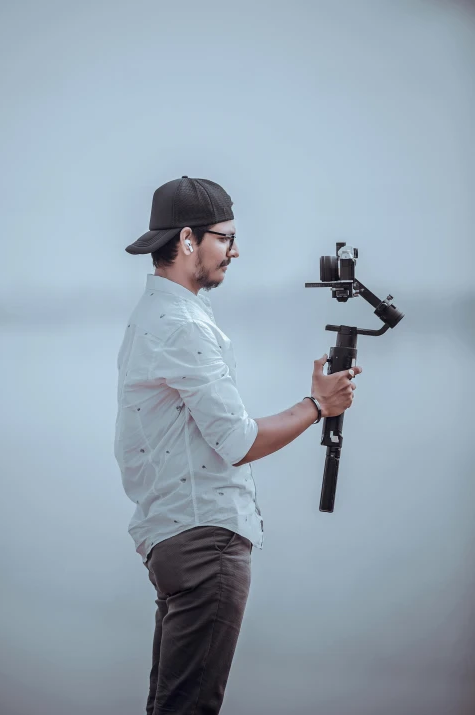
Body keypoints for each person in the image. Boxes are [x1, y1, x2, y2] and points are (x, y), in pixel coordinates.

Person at [113, 176, 362, 715]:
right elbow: (238, 441)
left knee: (170, 706)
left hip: (175, 534)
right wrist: (317, 406)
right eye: (225, 238)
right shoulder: (181, 324)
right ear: (186, 240)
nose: (235, 249)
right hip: (206, 543)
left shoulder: (151, 317)